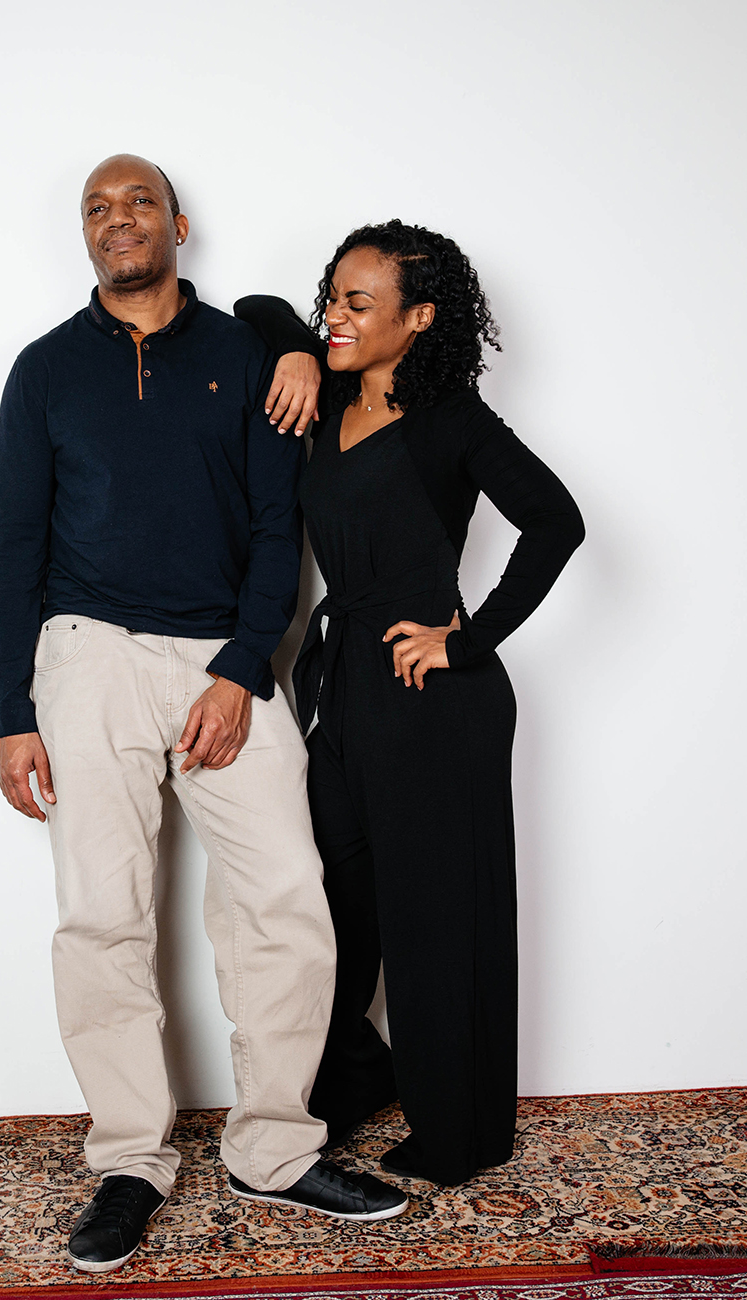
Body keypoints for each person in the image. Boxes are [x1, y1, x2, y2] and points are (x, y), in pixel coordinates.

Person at [0, 156, 407, 1274]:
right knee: (102, 917)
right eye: (93, 207)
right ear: (84, 236)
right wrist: (9, 708)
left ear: (176, 223)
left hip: (224, 656)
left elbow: (281, 534)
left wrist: (238, 669)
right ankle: (128, 1158)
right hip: (86, 658)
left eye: (136, 203)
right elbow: (11, 546)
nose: (116, 220)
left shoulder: (245, 354)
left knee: (283, 895)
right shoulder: (42, 373)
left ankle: (273, 1147)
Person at [234, 219, 585, 1187]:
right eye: (332, 299)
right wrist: (303, 350)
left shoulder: (452, 421)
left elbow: (558, 522)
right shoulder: (323, 391)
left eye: (359, 304)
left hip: (433, 696)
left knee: (437, 920)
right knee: (330, 910)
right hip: (341, 687)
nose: (335, 318)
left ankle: (460, 1130)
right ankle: (357, 1076)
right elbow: (256, 311)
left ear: (420, 318)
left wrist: (465, 639)